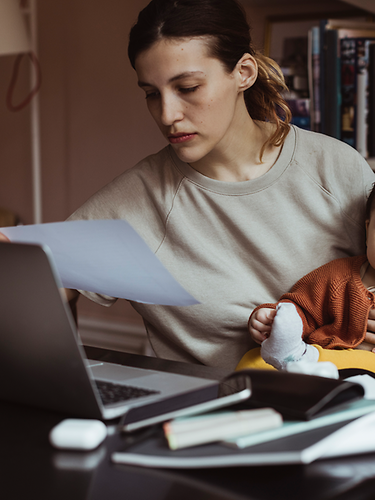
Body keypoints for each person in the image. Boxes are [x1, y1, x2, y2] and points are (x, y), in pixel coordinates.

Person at [2, 0, 375, 371]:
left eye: (188, 87)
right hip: (213, 416)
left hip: (353, 409)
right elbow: (34, 284)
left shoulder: (336, 168)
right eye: (151, 93)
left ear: (244, 72)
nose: (166, 115)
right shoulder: (135, 203)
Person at [245, 183, 375, 374]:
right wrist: (272, 320)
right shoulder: (339, 276)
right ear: (368, 228)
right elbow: (300, 310)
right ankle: (292, 358)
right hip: (325, 362)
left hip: (366, 372)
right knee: (252, 361)